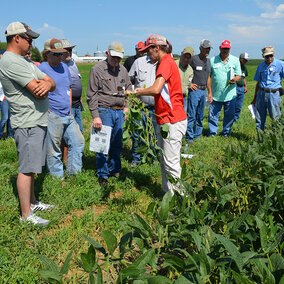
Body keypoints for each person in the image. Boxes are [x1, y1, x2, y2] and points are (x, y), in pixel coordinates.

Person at [0, 22, 56, 225]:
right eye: (28, 40)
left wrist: (49, 83)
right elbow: (36, 89)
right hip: (26, 122)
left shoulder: (24, 61)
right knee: (26, 168)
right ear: (17, 38)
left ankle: (32, 202)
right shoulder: (11, 61)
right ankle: (26, 215)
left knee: (32, 166)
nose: (31, 44)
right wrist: (45, 85)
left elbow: (50, 81)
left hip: (36, 120)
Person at [133, 34, 187, 195]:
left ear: (157, 48)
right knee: (164, 161)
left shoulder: (166, 62)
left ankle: (178, 199)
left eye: (148, 50)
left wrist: (137, 91)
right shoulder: (165, 62)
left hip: (172, 119)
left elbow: (156, 89)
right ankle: (167, 195)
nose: (146, 54)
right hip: (164, 119)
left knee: (171, 162)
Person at [38, 38, 85, 179]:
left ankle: (73, 175)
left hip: (67, 114)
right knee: (54, 149)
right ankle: (56, 180)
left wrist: (69, 107)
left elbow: (68, 88)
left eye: (61, 54)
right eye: (56, 54)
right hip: (53, 114)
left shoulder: (64, 67)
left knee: (78, 142)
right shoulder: (41, 69)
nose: (60, 57)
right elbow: (36, 90)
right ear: (47, 54)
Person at [86, 42, 131, 185]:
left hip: (119, 112)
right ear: (107, 53)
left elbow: (129, 88)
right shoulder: (97, 70)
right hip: (104, 110)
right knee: (102, 144)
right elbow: (91, 94)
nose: (116, 60)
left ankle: (115, 169)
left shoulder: (123, 70)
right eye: (114, 57)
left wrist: (127, 106)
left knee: (117, 143)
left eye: (119, 58)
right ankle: (103, 174)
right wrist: (95, 116)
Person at [128, 54, 157, 167]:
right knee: (137, 133)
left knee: (153, 134)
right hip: (139, 107)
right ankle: (136, 158)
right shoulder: (139, 62)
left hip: (155, 107)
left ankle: (153, 158)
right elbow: (129, 79)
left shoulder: (161, 63)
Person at [208, 40, 241, 136]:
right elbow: (208, 76)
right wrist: (209, 91)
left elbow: (239, 75)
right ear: (220, 48)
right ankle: (212, 132)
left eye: (227, 49)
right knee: (213, 114)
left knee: (229, 114)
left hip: (230, 94)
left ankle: (226, 132)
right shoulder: (212, 60)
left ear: (229, 49)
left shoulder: (235, 60)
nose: (225, 50)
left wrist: (235, 79)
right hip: (216, 94)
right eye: (223, 48)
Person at [252, 46, 284, 132]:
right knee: (259, 118)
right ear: (263, 56)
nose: (269, 58)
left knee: (275, 118)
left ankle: (276, 141)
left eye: (271, 55)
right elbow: (258, 82)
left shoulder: (280, 64)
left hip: (274, 95)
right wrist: (255, 98)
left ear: (273, 54)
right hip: (261, 94)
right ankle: (260, 140)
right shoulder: (261, 66)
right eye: (267, 56)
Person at [186, 39, 212, 144]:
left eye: (209, 48)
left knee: (200, 115)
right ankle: (189, 137)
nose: (207, 50)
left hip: (203, 90)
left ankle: (197, 135)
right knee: (191, 114)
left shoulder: (208, 61)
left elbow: (208, 77)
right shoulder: (193, 59)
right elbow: (186, 71)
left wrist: (210, 92)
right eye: (205, 48)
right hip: (195, 91)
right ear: (200, 48)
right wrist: (189, 84)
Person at [61, 39, 84, 133]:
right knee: (69, 132)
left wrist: (80, 97)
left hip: (77, 103)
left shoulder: (72, 63)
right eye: (65, 50)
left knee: (80, 130)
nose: (68, 52)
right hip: (68, 105)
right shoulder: (59, 65)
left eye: (69, 50)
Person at [175, 47, 194, 113]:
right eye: (184, 56)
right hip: (173, 97)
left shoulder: (190, 70)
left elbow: (188, 82)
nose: (186, 59)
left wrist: (190, 85)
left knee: (182, 119)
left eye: (188, 58)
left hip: (183, 98)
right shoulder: (173, 64)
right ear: (181, 54)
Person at [234, 52, 249, 121]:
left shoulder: (244, 67)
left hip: (241, 88)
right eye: (244, 60)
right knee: (232, 104)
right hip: (234, 87)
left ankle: (236, 119)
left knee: (239, 106)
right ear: (240, 59)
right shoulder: (235, 65)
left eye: (247, 60)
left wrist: (245, 86)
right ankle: (230, 118)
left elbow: (244, 77)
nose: (246, 61)